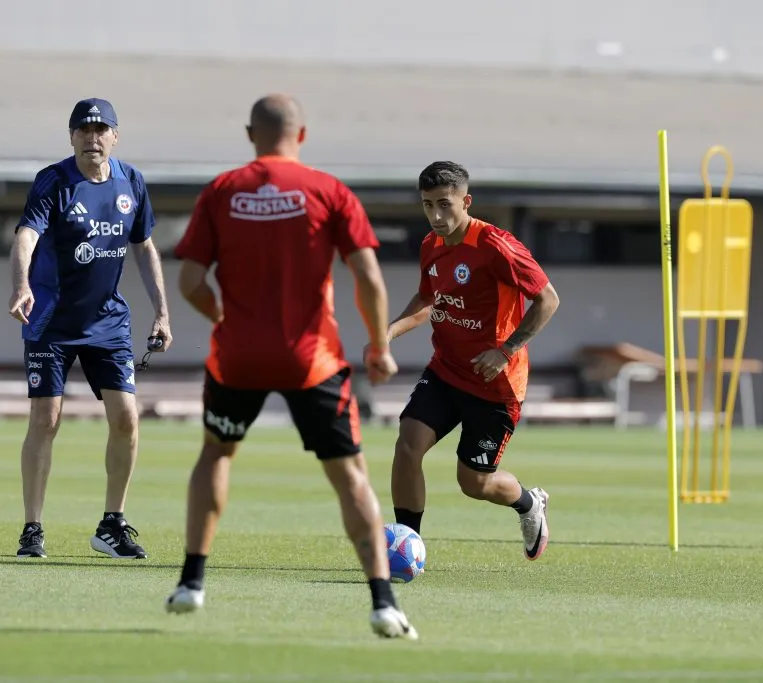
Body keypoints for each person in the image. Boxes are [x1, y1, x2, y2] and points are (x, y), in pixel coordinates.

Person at [165, 94, 417, 640]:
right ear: (301, 135)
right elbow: (369, 278)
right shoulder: (330, 191)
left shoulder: (223, 190)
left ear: (250, 134)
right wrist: (379, 346)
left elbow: (189, 282)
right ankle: (383, 603)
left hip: (238, 357)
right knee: (349, 475)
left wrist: (222, 316)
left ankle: (191, 582)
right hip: (312, 361)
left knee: (216, 453)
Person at [8, 97, 172, 560]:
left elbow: (144, 247)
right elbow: (26, 235)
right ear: (71, 137)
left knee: (127, 419)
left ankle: (111, 525)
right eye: (83, 130)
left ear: (115, 137)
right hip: (50, 320)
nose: (92, 138)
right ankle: (32, 528)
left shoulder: (131, 182)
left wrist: (162, 312)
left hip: (107, 322)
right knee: (46, 420)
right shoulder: (54, 181)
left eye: (101, 130)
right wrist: (21, 285)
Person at [381, 161, 560, 562]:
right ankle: (407, 548)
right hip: (446, 371)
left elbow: (548, 300)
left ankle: (529, 502)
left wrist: (506, 350)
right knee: (407, 446)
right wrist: (388, 333)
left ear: (466, 201)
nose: (436, 215)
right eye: (428, 205)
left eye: (444, 204)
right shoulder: (431, 245)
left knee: (474, 483)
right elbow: (427, 299)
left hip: (495, 384)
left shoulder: (496, 245)